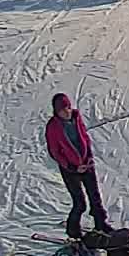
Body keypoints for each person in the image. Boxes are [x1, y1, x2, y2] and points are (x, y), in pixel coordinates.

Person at [44, 93, 107, 238]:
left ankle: (100, 225)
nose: (66, 112)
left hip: (86, 164)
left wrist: (89, 158)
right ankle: (73, 230)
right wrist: (72, 167)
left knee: (95, 197)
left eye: (68, 108)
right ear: (56, 111)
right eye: (62, 110)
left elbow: (85, 138)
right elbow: (55, 152)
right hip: (70, 170)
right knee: (80, 203)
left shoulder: (76, 118)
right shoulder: (53, 127)